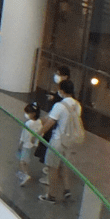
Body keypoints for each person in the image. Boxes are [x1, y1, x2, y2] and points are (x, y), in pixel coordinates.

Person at [37, 75, 83, 203]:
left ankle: (51, 195)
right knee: (64, 166)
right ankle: (66, 190)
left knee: (53, 167)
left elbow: (50, 122)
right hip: (70, 141)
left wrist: (39, 133)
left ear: (62, 91)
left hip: (58, 140)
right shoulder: (77, 105)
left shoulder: (60, 105)